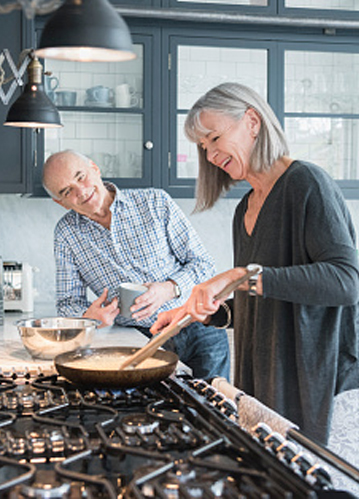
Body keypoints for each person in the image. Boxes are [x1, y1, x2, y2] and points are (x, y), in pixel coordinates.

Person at [151, 82, 359, 491]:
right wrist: (211, 310)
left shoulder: (307, 184)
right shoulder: (246, 207)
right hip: (285, 381)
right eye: (203, 147)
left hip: (335, 382)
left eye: (214, 138)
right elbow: (264, 295)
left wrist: (241, 275)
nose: (210, 155)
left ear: (252, 121)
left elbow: (345, 281)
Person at [42, 150, 231, 380]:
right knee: (157, 411)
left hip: (199, 325)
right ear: (59, 202)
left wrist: (168, 288)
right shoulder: (66, 234)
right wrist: (89, 318)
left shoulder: (155, 202)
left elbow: (204, 265)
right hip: (141, 340)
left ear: (94, 167)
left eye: (80, 176)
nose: (81, 191)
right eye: (66, 191)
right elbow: (67, 303)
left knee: (214, 407)